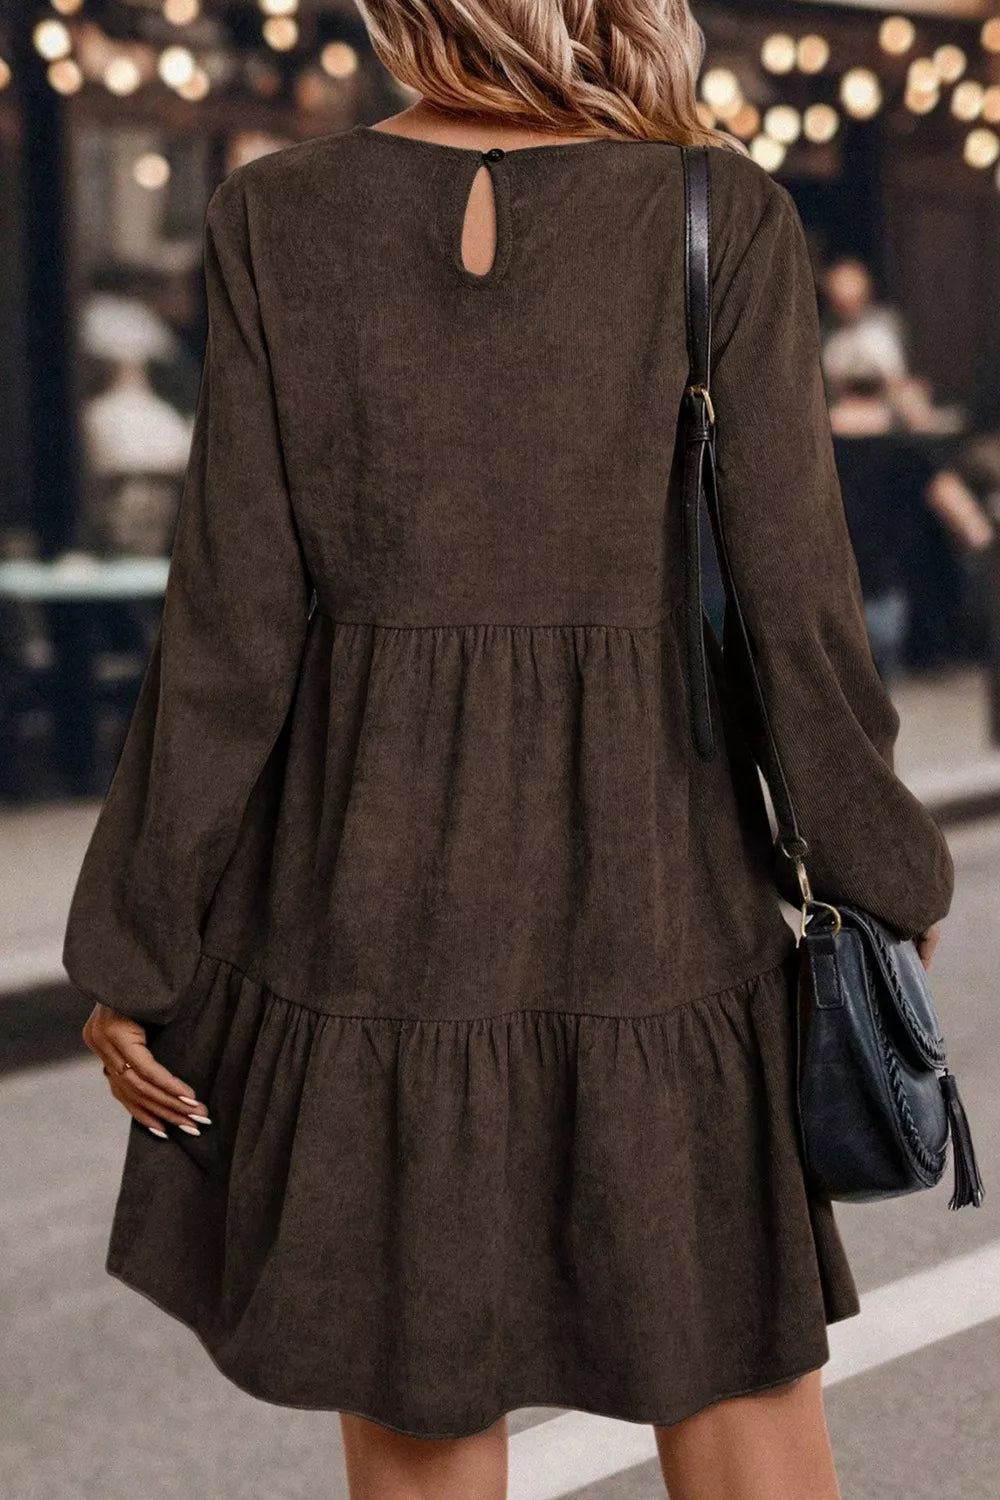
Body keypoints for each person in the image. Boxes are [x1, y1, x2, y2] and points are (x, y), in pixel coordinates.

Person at [63, 0, 953, 1495]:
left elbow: (227, 626)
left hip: (369, 900)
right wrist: (883, 872)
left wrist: (134, 946)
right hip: (661, 898)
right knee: (736, 1387)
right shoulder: (715, 209)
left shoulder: (275, 213)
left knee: (419, 1404)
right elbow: (800, 610)